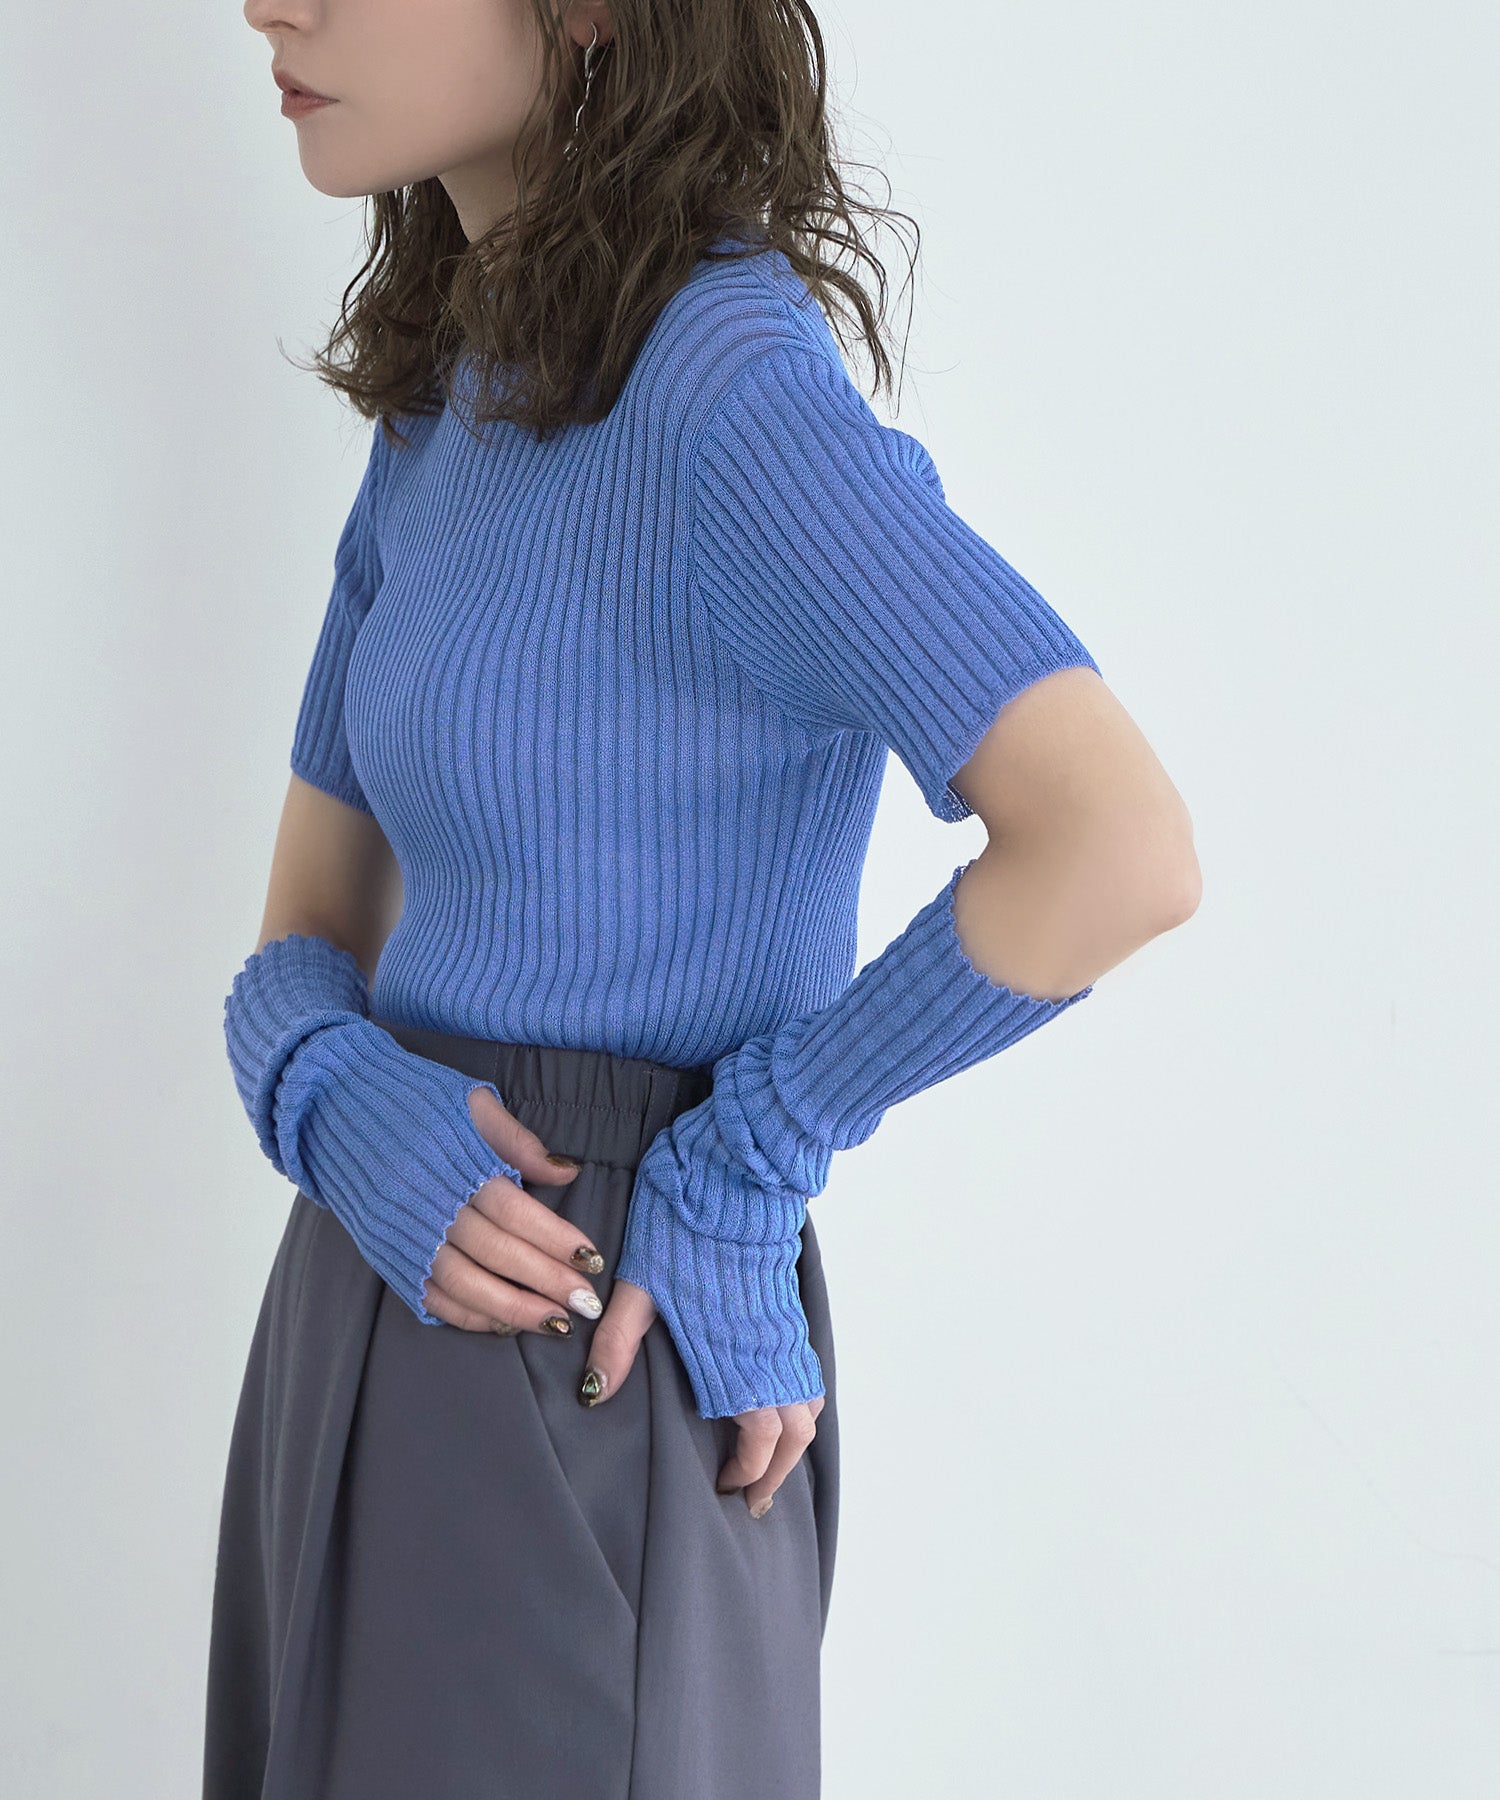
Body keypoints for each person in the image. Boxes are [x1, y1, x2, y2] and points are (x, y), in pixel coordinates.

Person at [206, 2, 1201, 1795]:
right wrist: (328, 1086)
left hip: (589, 1335)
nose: (273, 1)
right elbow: (304, 928)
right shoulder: (445, 393)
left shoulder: (728, 395)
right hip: (360, 1287)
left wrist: (751, 1159)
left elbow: (1114, 844)